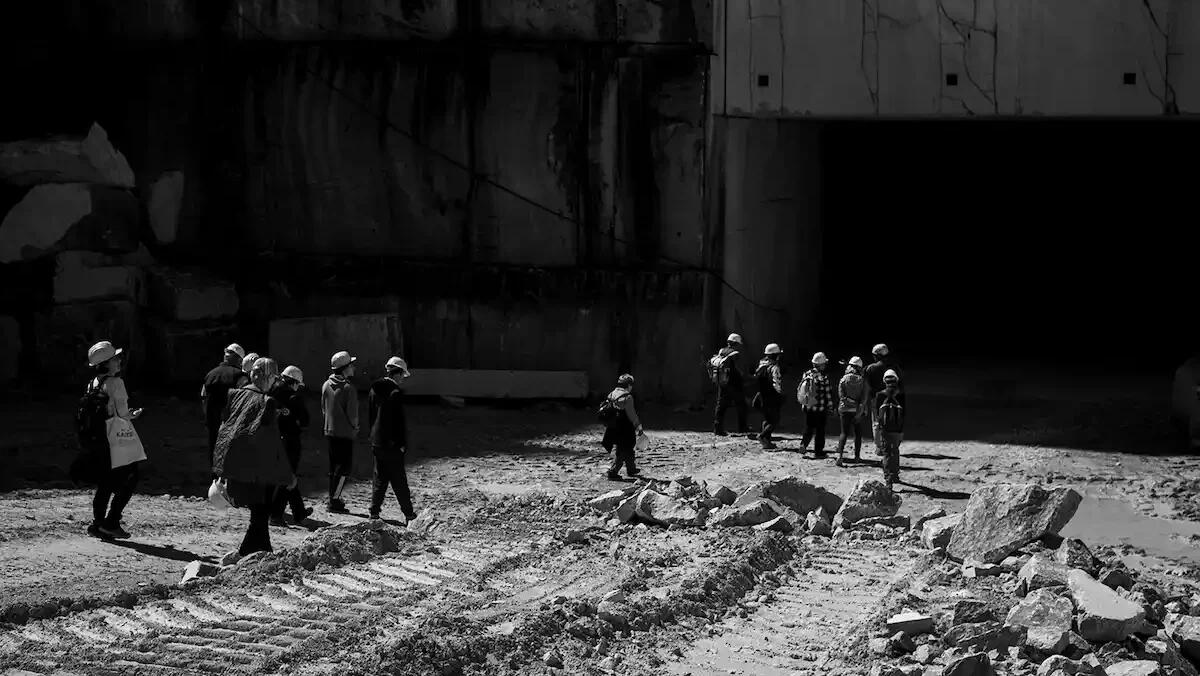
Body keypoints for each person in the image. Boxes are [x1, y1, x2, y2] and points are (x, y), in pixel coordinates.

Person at [214, 357, 292, 557]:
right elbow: (273, 441)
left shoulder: (235, 395)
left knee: (260, 511)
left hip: (235, 462)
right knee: (259, 512)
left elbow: (227, 428)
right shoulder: (267, 402)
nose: (274, 382)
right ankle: (244, 553)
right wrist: (287, 473)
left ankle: (265, 551)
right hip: (256, 467)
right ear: (268, 377)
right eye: (273, 378)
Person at [85, 341, 146, 540]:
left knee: (105, 482)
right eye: (115, 359)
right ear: (106, 363)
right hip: (118, 437)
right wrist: (134, 414)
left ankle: (97, 524)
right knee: (131, 477)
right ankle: (111, 522)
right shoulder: (116, 383)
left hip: (99, 438)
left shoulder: (93, 383)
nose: (119, 361)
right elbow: (122, 414)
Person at [367, 357, 418, 521]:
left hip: (377, 441)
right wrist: (401, 444)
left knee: (380, 478)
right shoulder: (395, 394)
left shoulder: (374, 389)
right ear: (397, 373)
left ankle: (374, 511)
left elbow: (371, 415)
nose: (403, 378)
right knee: (399, 480)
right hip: (392, 445)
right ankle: (409, 514)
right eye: (402, 375)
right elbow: (398, 423)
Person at [269, 365, 313, 526]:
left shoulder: (271, 393)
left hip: (272, 439)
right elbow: (305, 421)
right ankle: (275, 514)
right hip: (289, 441)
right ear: (294, 382)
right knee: (287, 478)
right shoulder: (294, 398)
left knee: (287, 477)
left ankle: (299, 512)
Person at [201, 344, 249, 477]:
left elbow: (203, 398)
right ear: (240, 360)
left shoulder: (210, 374)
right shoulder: (239, 376)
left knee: (215, 451)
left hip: (212, 421)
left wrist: (207, 417)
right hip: (231, 423)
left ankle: (215, 482)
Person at [322, 350, 360, 514]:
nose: (353, 367)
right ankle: (335, 500)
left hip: (330, 430)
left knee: (333, 467)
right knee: (344, 467)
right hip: (344, 433)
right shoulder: (349, 388)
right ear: (345, 368)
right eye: (351, 365)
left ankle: (333, 497)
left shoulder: (326, 385)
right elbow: (352, 414)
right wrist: (355, 427)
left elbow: (324, 408)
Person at [602, 374, 644, 480]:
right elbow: (632, 415)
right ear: (629, 385)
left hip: (613, 427)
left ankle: (631, 468)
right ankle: (613, 472)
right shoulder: (627, 397)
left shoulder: (612, 394)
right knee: (623, 450)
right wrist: (639, 427)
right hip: (625, 428)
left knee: (628, 448)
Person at [864, 343, 901, 453]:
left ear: (877, 356)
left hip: (876, 399)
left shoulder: (871, 368)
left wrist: (865, 402)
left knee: (877, 422)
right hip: (893, 398)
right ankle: (893, 444)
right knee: (894, 421)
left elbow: (866, 386)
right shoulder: (895, 366)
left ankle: (879, 448)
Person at [798, 352, 836, 457]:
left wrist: (804, 404)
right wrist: (831, 407)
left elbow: (803, 391)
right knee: (820, 430)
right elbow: (828, 394)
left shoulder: (806, 374)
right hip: (820, 408)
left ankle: (803, 445)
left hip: (808, 407)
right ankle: (818, 451)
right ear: (821, 364)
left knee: (808, 428)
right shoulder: (824, 377)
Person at [711, 333, 750, 436]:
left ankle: (717, 428)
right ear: (736, 343)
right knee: (741, 405)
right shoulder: (735, 353)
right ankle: (743, 427)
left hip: (722, 382)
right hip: (734, 383)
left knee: (721, 406)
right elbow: (738, 369)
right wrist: (745, 377)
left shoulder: (721, 351)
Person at [874, 369, 906, 487]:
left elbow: (878, 413)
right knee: (895, 450)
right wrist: (902, 430)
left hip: (885, 428)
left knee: (886, 453)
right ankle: (895, 474)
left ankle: (888, 480)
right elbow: (904, 413)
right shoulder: (901, 395)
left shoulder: (880, 395)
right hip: (897, 428)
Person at [835, 356, 868, 467]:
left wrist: (849, 402)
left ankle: (839, 456)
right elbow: (864, 399)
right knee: (858, 434)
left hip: (844, 409)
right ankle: (857, 457)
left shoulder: (843, 379)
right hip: (857, 411)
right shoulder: (863, 381)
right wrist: (860, 409)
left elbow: (841, 396)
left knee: (844, 433)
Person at [753, 343, 784, 450]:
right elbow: (776, 382)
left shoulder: (761, 364)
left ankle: (767, 442)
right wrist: (780, 393)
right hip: (772, 396)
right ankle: (762, 436)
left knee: (766, 418)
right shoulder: (774, 367)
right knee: (774, 420)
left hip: (761, 395)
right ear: (775, 355)